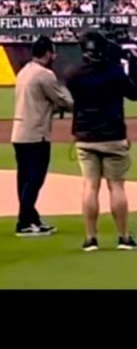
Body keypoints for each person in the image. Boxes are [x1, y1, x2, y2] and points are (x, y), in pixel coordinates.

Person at [64, 30, 137, 252]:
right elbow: (135, 94)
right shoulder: (115, 72)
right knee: (116, 186)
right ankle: (123, 237)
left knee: (90, 186)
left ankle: (91, 239)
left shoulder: (72, 74)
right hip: (113, 135)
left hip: (85, 135)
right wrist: (133, 67)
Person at [11, 36, 73, 237]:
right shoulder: (44, 74)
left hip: (19, 132)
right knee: (35, 180)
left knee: (24, 179)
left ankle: (31, 218)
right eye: (53, 52)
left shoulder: (24, 72)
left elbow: (41, 101)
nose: (54, 56)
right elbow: (62, 100)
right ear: (47, 53)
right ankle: (24, 222)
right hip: (36, 134)